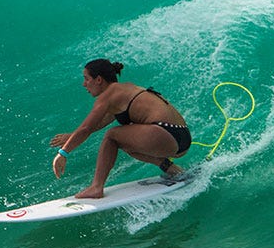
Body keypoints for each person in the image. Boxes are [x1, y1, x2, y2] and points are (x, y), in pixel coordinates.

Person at [50, 59, 190, 198]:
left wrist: (63, 153)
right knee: (126, 142)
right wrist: (72, 136)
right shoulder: (124, 90)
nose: (84, 84)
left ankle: (96, 187)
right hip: (181, 137)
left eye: (86, 79)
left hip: (165, 133)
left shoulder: (108, 95)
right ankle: (171, 169)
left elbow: (86, 128)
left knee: (112, 136)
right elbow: (98, 123)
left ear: (98, 79)